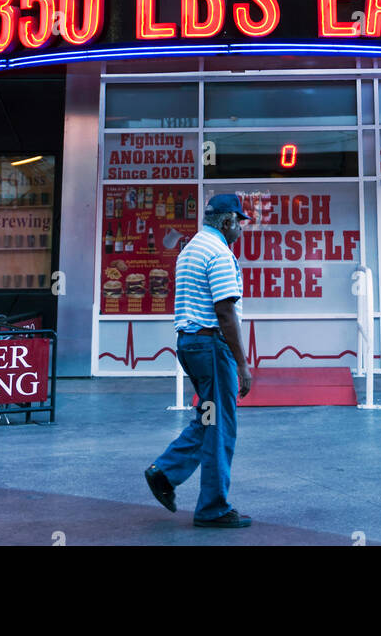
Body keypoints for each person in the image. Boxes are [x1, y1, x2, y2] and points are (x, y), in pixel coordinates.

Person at [145, 193, 253, 528]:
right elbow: (224, 311)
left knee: (208, 418)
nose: (241, 229)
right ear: (226, 221)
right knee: (220, 425)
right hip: (210, 346)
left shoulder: (190, 249)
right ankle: (213, 508)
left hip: (189, 344)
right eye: (240, 222)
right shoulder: (219, 253)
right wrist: (242, 364)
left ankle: (165, 472)